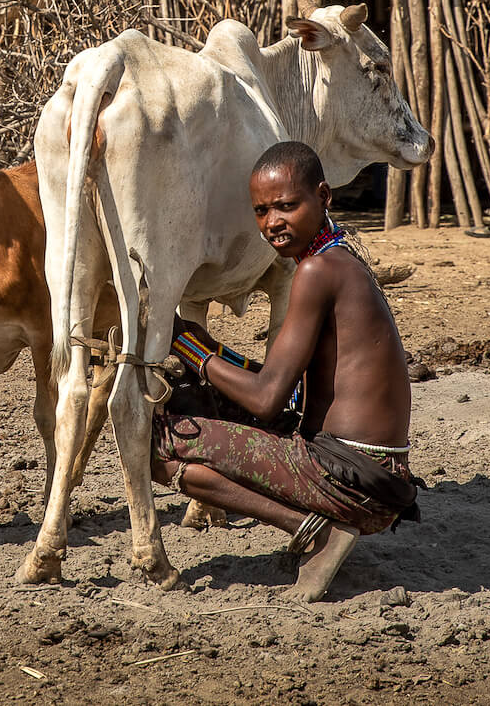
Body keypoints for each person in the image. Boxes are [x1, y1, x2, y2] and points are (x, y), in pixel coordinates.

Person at [152, 141, 419, 601]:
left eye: (286, 206)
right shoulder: (341, 256)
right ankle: (322, 529)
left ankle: (315, 534)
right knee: (207, 402)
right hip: (380, 477)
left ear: (324, 197)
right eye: (260, 211)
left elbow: (267, 398)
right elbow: (286, 386)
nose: (272, 222)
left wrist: (190, 347)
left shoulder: (317, 271)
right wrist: (205, 346)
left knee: (153, 441)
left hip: (347, 480)